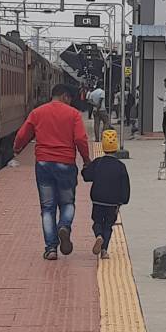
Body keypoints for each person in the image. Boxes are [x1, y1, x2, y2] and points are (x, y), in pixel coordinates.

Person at [13, 82, 90, 259]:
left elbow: (23, 134)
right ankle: (64, 226)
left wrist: (17, 148)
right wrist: (86, 160)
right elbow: (80, 139)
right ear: (65, 97)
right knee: (67, 203)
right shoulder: (73, 114)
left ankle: (51, 249)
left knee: (47, 207)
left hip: (43, 164)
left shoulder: (37, 112)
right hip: (65, 164)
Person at [80, 127, 131, 257]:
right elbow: (125, 186)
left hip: (98, 199)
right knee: (108, 225)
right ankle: (104, 251)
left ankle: (98, 235)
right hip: (113, 202)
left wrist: (85, 167)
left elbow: (87, 176)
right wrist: (122, 201)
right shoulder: (121, 166)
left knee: (97, 221)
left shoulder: (98, 163)